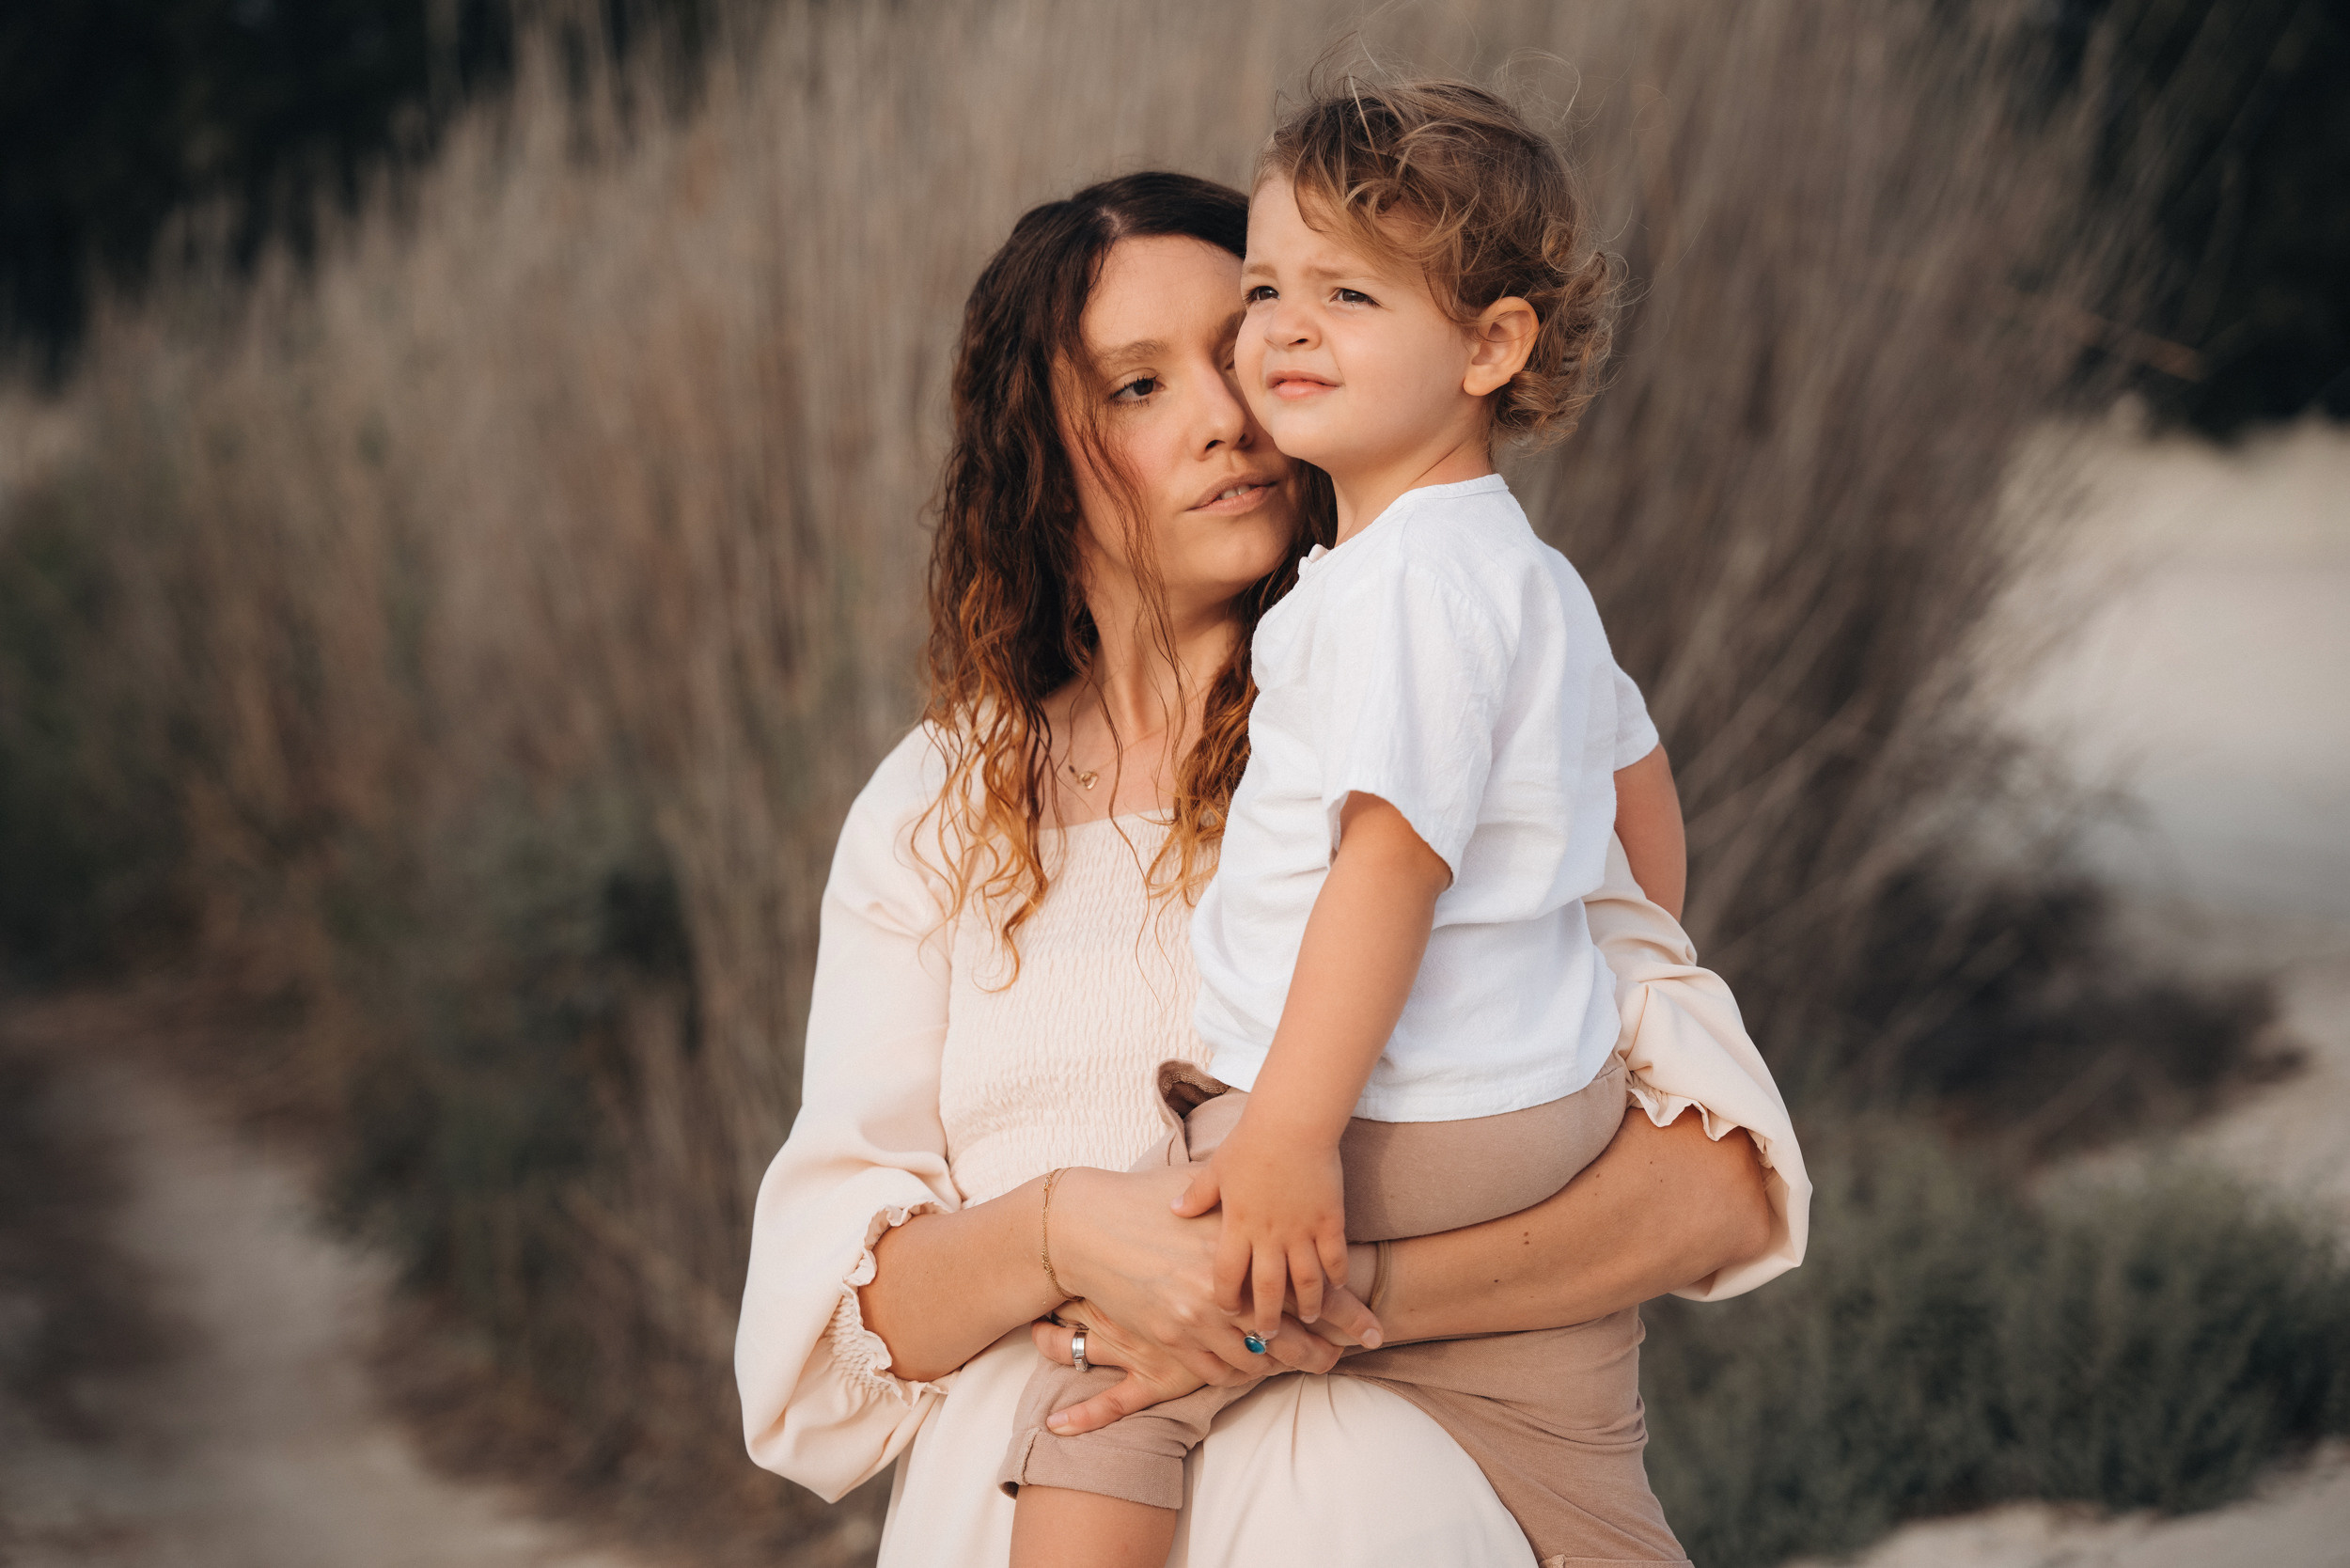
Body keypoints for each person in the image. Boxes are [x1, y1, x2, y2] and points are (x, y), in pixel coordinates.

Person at [735, 168, 1810, 1568]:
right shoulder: (932, 809)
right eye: (1137, 387)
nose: (1227, 414)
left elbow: (1714, 1185)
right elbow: (835, 1333)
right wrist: (1067, 1235)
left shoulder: (1431, 692)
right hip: (1024, 1503)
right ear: (1038, 455)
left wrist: (1320, 1295)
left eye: (1237, 344)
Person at [998, 80, 1743, 1568]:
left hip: (1386, 1116)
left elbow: (1387, 869)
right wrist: (1590, 1007)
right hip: (1533, 1106)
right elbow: (1638, 807)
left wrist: (1289, 1134)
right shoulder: (1524, 572)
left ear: (1491, 346)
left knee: (1099, 1398)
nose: (1283, 330)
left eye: (1348, 294)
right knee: (1582, 1470)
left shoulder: (1404, 586)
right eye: (1267, 289)